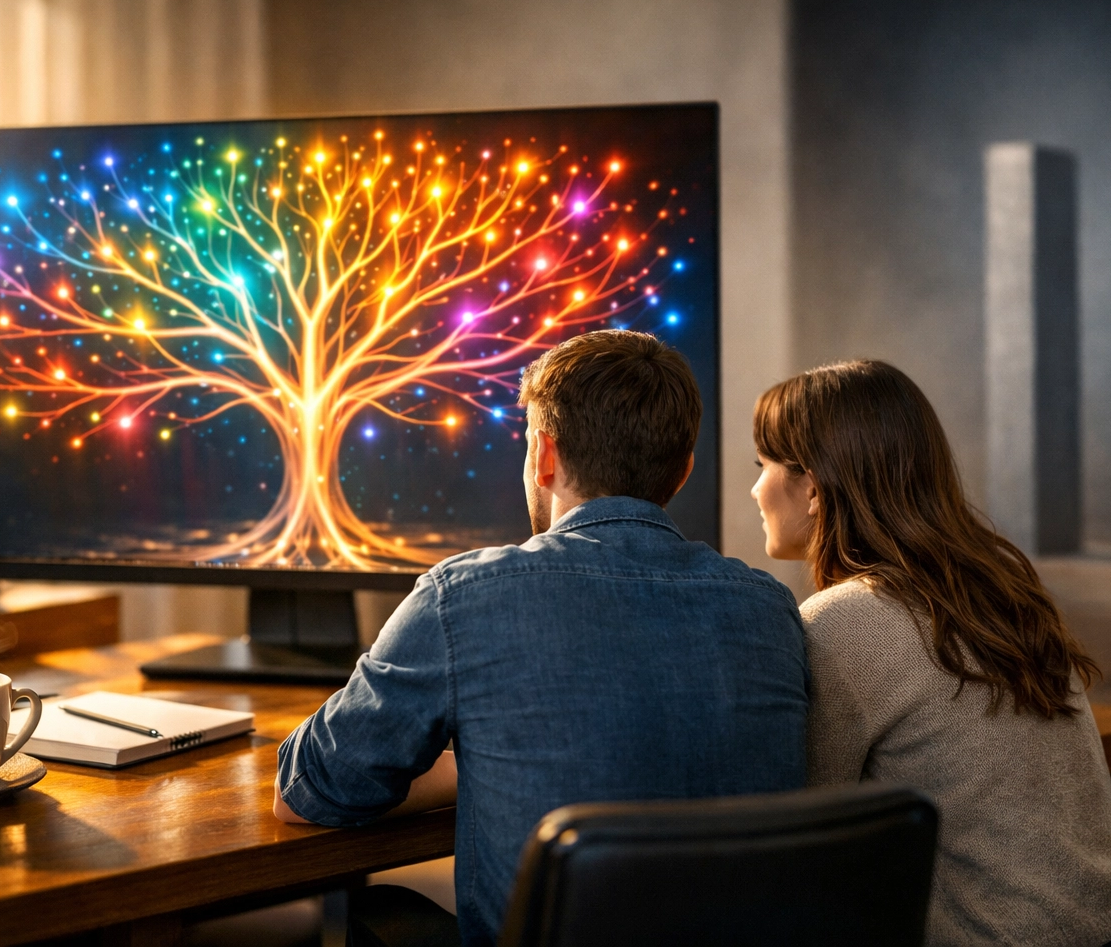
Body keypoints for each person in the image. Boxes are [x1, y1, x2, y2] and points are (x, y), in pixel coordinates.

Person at [275, 330, 809, 947]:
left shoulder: (463, 595)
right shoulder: (771, 610)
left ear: (544, 457)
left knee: (382, 909)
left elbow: (309, 790)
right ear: (682, 472)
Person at [751, 359, 1111, 947]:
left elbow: (805, 830)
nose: (755, 487)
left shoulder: (845, 622)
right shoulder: (1001, 588)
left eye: (762, 464)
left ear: (815, 488)